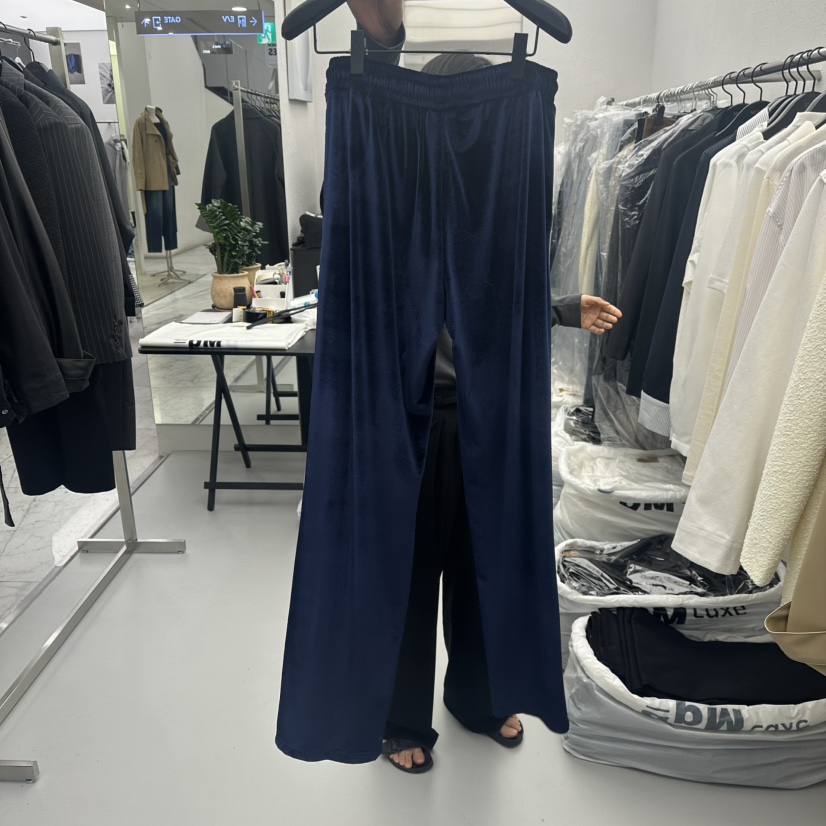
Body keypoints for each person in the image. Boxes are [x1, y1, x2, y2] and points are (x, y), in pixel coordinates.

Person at [285, 0, 622, 774]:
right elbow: (359, 229)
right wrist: (382, 52)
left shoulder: (495, 210)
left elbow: (492, 296)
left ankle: (479, 695)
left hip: (485, 419)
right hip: (404, 423)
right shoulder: (384, 206)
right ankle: (399, 718)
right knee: (404, 574)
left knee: (483, 567)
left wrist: (561, 308)